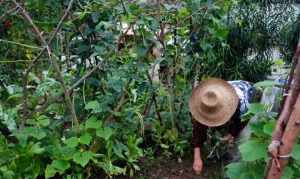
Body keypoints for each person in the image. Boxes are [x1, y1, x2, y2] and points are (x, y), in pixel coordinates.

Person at [189, 78, 260, 174]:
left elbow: (242, 121)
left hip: (254, 99)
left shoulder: (242, 105)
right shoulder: (205, 101)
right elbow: (199, 128)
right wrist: (197, 158)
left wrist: (232, 134)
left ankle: (232, 169)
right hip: (233, 96)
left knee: (241, 141)